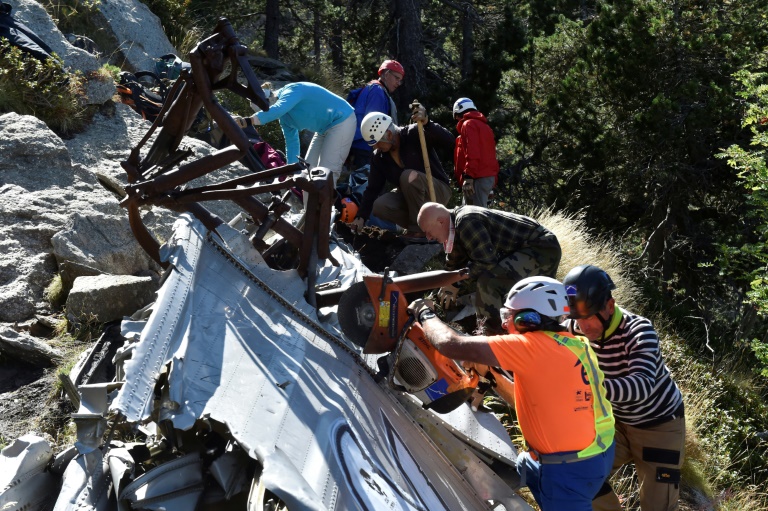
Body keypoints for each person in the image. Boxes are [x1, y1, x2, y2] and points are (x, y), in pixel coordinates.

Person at [408, 276, 615, 511]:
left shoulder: (531, 346)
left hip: (568, 471)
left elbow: (449, 343)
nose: (505, 324)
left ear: (528, 320)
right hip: (598, 452)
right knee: (525, 465)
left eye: (509, 316)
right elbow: (537, 401)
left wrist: (424, 312)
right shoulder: (575, 344)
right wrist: (493, 377)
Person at [562, 265, 685, 511]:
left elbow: (642, 385)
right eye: (577, 318)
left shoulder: (639, 331)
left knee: (658, 507)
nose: (584, 327)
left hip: (659, 426)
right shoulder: (573, 327)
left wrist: (584, 389)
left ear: (610, 306)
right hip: (615, 423)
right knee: (574, 473)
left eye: (589, 317)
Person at [417, 202, 561, 334]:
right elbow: (455, 262)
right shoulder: (454, 226)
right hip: (529, 247)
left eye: (428, 231)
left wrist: (456, 283)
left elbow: (486, 262)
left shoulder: (466, 222)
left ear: (440, 221)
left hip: (541, 248)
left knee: (488, 282)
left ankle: (491, 336)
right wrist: (446, 284)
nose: (428, 237)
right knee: (514, 291)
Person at [349, 107, 454, 240]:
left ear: (389, 134)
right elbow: (372, 189)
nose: (375, 147)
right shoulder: (379, 157)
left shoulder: (414, 133)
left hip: (437, 191)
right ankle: (419, 227)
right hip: (411, 199)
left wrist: (428, 124)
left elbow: (450, 141)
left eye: (377, 143)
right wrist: (361, 216)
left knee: (408, 177)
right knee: (380, 205)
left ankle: (418, 230)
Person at [240, 81, 355, 185]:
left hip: (342, 120)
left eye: (268, 110)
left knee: (327, 172)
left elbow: (279, 108)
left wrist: (248, 121)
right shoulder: (284, 119)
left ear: (270, 100)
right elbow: (292, 144)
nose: (270, 112)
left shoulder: (292, 90)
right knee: (308, 172)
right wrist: (291, 171)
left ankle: (327, 202)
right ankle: (308, 203)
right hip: (323, 129)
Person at [347, 60, 405, 170]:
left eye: (400, 80)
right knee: (366, 179)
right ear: (386, 74)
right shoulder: (377, 91)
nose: (398, 83)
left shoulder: (371, 88)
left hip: (359, 144)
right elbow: (374, 123)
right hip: (366, 147)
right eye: (396, 78)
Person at [452, 97, 499, 207]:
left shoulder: (468, 124)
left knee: (474, 215)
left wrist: (468, 177)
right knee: (474, 213)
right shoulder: (485, 127)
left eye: (457, 116)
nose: (457, 120)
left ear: (459, 113)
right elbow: (491, 156)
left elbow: (472, 152)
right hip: (485, 178)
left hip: (476, 178)